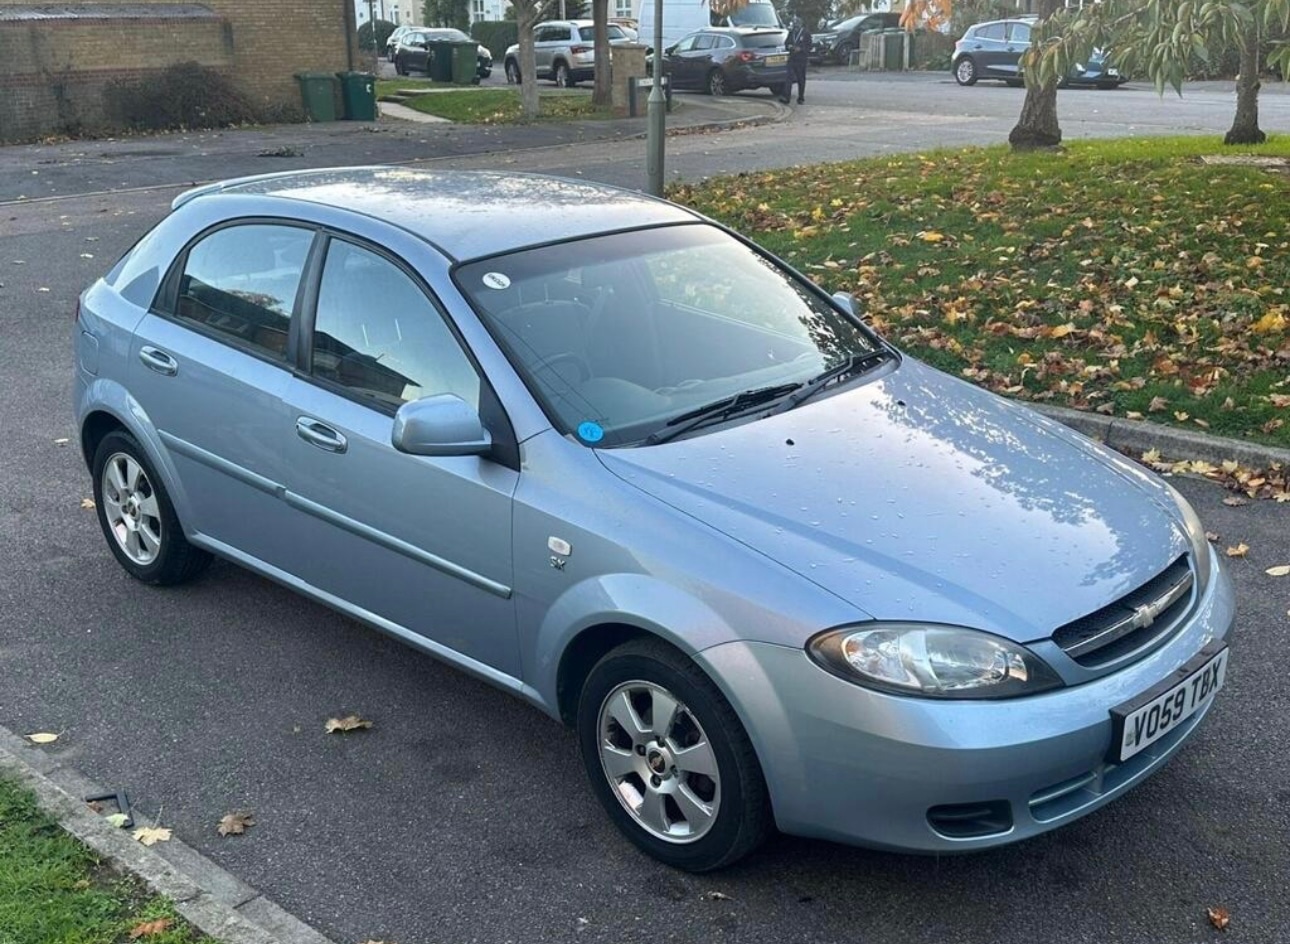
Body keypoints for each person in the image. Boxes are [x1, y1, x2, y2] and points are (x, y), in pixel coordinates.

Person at [783, 16, 812, 104]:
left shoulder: (806, 33)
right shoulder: (791, 33)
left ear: (800, 24)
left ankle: (801, 98)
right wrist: (789, 46)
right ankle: (786, 98)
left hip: (801, 60)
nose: (795, 26)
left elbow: (809, 46)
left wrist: (801, 49)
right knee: (788, 78)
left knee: (801, 79)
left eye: (797, 24)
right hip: (792, 58)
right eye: (794, 24)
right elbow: (786, 43)